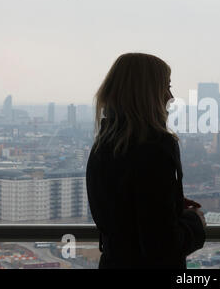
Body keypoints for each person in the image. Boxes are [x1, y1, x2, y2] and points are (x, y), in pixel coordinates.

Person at [86, 53, 206, 268]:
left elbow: (123, 215)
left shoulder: (103, 146)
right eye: (165, 86)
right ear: (147, 94)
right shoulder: (154, 150)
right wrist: (195, 222)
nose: (170, 96)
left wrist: (171, 203)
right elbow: (162, 246)